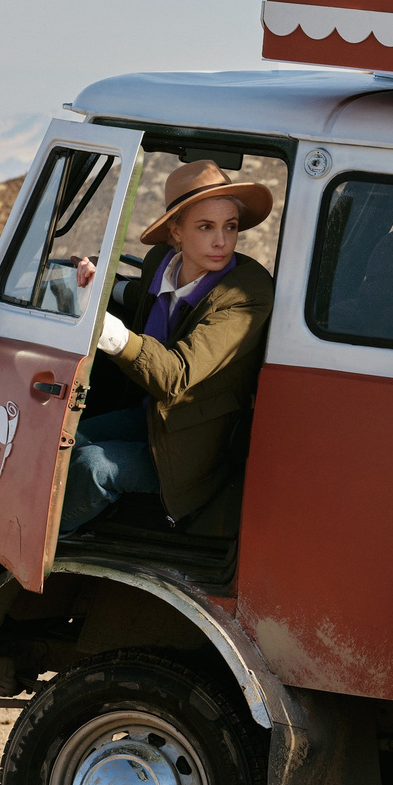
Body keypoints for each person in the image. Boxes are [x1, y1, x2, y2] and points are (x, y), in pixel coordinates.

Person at [60, 159, 275, 534]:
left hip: (190, 445)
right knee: (57, 438)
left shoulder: (247, 292)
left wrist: (104, 327)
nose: (221, 241)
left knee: (94, 466)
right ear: (175, 232)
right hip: (147, 414)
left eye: (230, 227)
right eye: (205, 227)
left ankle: (26, 545)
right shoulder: (160, 262)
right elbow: (147, 297)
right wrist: (101, 281)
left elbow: (176, 376)